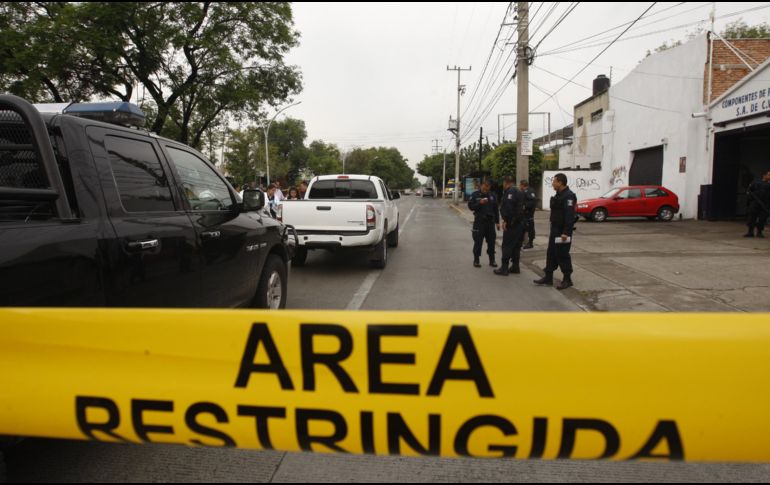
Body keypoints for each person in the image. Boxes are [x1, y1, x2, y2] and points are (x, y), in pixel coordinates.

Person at [534, 173, 577, 290]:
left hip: (562, 231)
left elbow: (570, 216)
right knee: (551, 253)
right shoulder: (558, 195)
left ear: (560, 182)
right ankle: (548, 278)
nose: (552, 183)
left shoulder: (568, 196)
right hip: (555, 229)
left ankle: (567, 279)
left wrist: (566, 232)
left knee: (562, 255)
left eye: (554, 181)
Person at [494, 176, 526, 276]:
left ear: (506, 183)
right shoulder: (518, 191)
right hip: (520, 223)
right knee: (516, 246)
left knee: (507, 245)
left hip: (512, 224)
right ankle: (515, 266)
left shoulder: (510, 192)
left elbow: (509, 209)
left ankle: (504, 268)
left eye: (503, 183)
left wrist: (506, 221)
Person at [468, 180, 500, 268]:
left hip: (490, 223)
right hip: (479, 222)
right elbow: (471, 207)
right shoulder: (475, 195)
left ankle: (492, 260)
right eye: (485, 187)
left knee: (491, 242)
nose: (486, 189)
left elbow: (496, 210)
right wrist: (479, 203)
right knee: (478, 241)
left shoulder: (492, 195)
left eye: (488, 187)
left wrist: (497, 222)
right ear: (481, 186)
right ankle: (476, 260)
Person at [745, 171, 770, 238]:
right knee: (751, 218)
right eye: (769, 175)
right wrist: (750, 200)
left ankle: (759, 232)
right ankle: (750, 232)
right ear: (764, 175)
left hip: (765, 204)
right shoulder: (756, 183)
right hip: (755, 203)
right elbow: (749, 191)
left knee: (762, 219)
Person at [520, 180, 538, 249]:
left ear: (522, 185)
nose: (520, 186)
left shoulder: (530, 191)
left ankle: (530, 243)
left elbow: (533, 201)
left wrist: (525, 206)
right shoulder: (524, 191)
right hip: (524, 214)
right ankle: (521, 242)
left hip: (528, 213)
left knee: (530, 228)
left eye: (520, 185)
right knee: (522, 228)